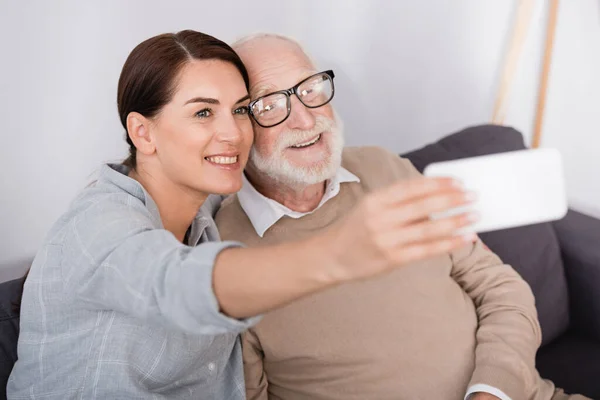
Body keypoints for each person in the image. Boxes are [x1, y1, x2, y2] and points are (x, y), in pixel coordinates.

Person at [7, 30, 477, 399]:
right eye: (203, 114)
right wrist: (339, 254)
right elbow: (177, 280)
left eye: (241, 110)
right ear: (143, 132)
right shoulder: (98, 225)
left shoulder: (208, 215)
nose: (233, 134)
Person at [214, 33, 590, 400]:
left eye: (310, 88)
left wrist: (492, 391)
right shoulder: (223, 259)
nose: (305, 120)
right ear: (239, 124)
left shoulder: (385, 167)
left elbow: (502, 290)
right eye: (269, 105)